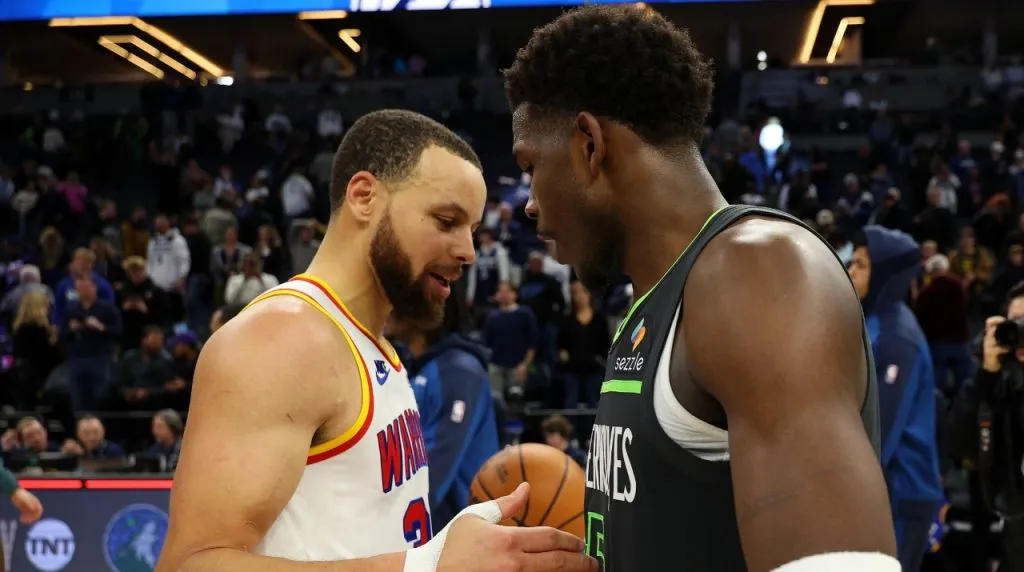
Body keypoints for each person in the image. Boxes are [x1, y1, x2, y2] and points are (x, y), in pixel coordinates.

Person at [504, 5, 894, 571]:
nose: (531, 203)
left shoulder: (757, 272)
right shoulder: (659, 298)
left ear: (589, 144)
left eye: (529, 166)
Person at [158, 109, 595, 572]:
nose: (467, 250)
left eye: (472, 229)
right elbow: (190, 564)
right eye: (447, 220)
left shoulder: (374, 346)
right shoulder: (283, 339)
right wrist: (426, 567)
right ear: (364, 197)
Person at [846, 227, 945, 570]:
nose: (850, 270)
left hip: (901, 493)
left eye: (861, 264)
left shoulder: (896, 338)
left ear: (887, 273)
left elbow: (880, 431)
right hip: (884, 489)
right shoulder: (871, 322)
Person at [389, 280, 500, 532]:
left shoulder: (458, 371)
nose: (386, 302)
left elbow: (431, 472)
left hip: (453, 537)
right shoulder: (413, 365)